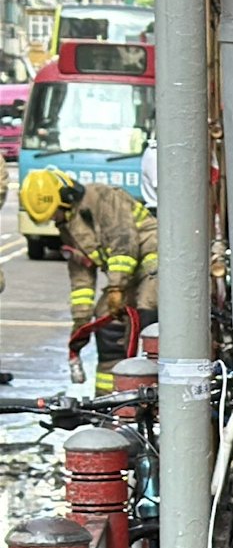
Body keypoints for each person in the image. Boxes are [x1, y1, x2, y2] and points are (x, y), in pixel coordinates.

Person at [21, 167, 158, 394]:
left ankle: (152, 389)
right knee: (106, 320)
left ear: (66, 198)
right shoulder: (68, 225)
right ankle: (108, 398)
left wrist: (116, 287)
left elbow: (124, 245)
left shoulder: (104, 198)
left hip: (153, 264)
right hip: (125, 275)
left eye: (54, 213)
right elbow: (81, 276)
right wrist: (81, 321)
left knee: (147, 312)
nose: (54, 220)